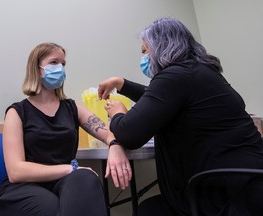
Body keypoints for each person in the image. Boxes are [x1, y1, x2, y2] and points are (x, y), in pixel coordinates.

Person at [98, 17, 263, 216]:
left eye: (145, 50)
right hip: (244, 186)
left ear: (161, 47)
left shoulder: (175, 76)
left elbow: (129, 134)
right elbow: (161, 102)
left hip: (221, 195)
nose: (144, 57)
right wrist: (122, 83)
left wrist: (118, 114)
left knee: (147, 211)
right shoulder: (198, 72)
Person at [0, 42, 132, 216]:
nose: (60, 67)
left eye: (63, 63)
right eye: (54, 62)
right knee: (55, 206)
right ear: (36, 69)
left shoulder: (72, 108)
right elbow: (16, 172)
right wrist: (70, 169)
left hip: (64, 183)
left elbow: (106, 132)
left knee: (86, 179)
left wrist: (114, 145)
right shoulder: (17, 112)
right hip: (24, 188)